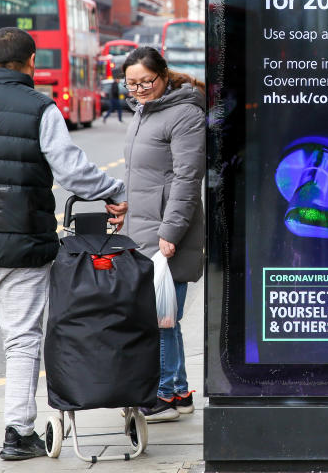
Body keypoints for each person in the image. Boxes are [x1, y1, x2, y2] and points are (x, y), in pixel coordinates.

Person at [0, 27, 129, 461]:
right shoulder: (41, 108)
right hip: (21, 248)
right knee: (21, 341)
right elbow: (72, 172)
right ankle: (18, 434)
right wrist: (112, 189)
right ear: (31, 62)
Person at [122, 46, 205, 423]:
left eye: (145, 82)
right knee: (162, 313)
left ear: (164, 74)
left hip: (167, 234)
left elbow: (188, 179)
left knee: (161, 317)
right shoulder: (144, 111)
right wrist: (125, 205)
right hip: (143, 230)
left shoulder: (184, 114)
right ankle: (179, 392)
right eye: (131, 84)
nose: (138, 90)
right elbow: (144, 175)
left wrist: (170, 232)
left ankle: (167, 395)